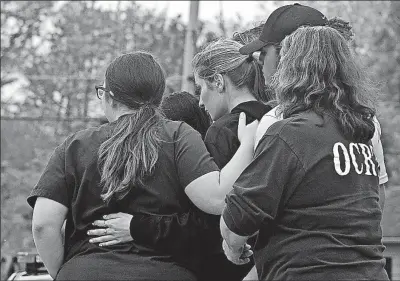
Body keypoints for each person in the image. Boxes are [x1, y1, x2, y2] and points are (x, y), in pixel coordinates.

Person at [28, 51, 257, 280]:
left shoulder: (75, 146)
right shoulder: (178, 136)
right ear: (158, 97)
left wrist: (65, 273)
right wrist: (248, 144)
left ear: (111, 96)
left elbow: (43, 224)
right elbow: (217, 199)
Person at [86, 39, 271, 281]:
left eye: (200, 88)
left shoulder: (222, 132)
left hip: (228, 266)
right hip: (273, 258)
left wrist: (137, 227)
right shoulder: (274, 121)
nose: (201, 102)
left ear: (218, 81)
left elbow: (205, 223)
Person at [220, 25, 389, 280]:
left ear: (291, 70)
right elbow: (375, 205)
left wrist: (232, 247)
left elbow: (236, 223)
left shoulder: (288, 134)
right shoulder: (361, 135)